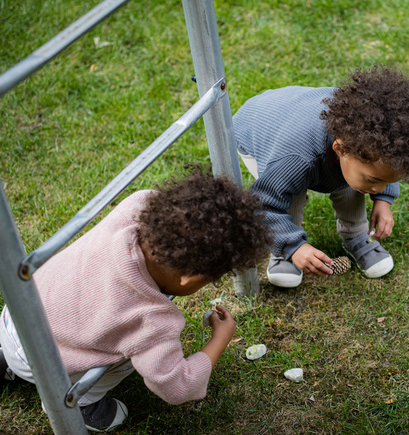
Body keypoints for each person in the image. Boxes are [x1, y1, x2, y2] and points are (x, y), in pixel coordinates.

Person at [0, 166, 269, 432]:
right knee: (127, 354)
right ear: (190, 279)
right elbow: (179, 386)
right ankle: (78, 403)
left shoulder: (136, 208)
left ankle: (6, 360)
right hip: (45, 363)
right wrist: (220, 339)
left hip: (17, 316)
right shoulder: (150, 322)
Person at [233, 65, 409, 288]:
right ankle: (284, 252)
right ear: (340, 148)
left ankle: (357, 236)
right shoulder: (294, 159)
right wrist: (294, 247)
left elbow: (385, 170)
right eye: (374, 180)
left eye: (386, 182)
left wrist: (384, 201)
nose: (379, 188)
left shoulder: (366, 142)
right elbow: (263, 204)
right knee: (290, 194)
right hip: (258, 126)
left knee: (353, 184)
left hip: (301, 118)